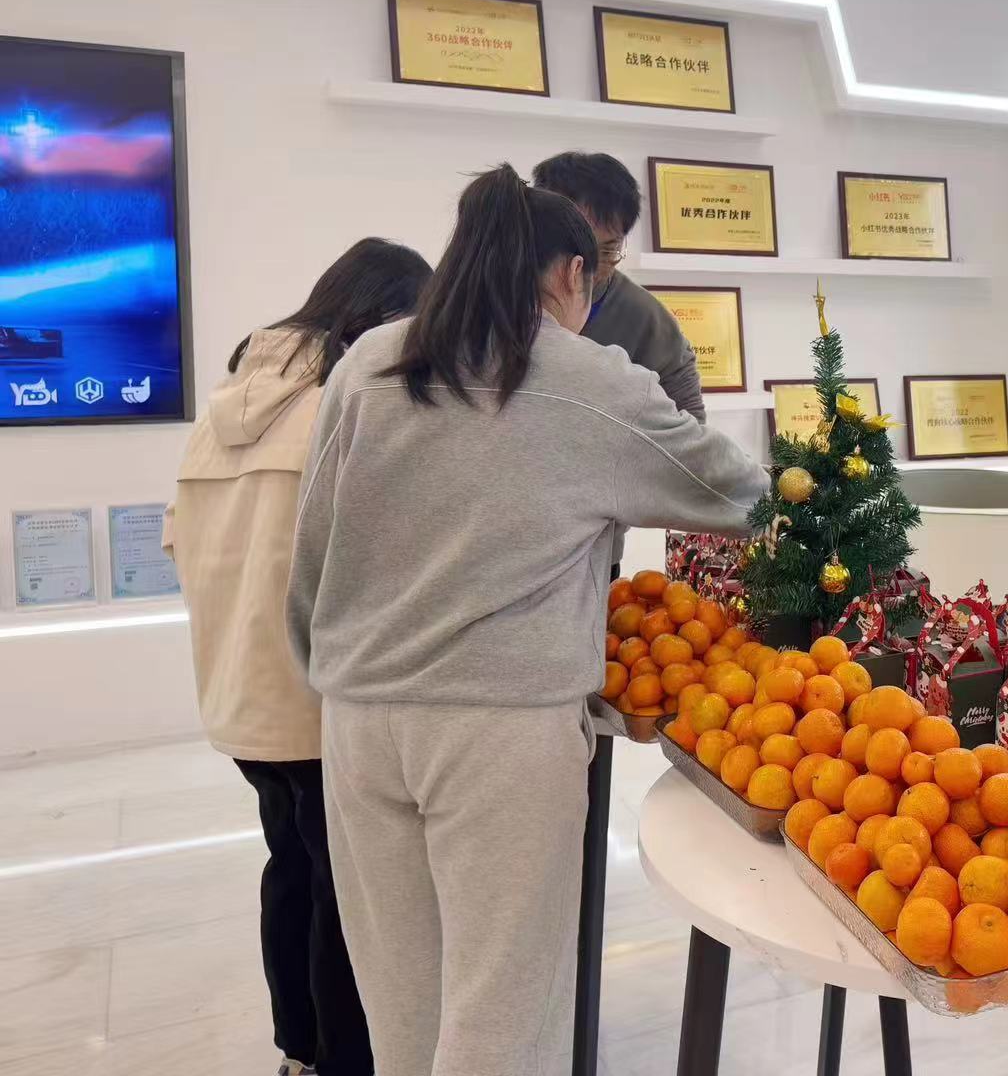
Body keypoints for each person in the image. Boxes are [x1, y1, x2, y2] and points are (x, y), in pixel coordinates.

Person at [287, 165, 765, 1075]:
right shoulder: (589, 378)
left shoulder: (368, 363)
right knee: (503, 1013)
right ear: (572, 275)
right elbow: (737, 492)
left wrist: (330, 671)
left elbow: (312, 545)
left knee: (401, 1005)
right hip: (502, 730)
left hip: (359, 718)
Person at [164, 237, 432, 1076]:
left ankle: (299, 1051)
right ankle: (345, 1061)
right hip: (317, 697)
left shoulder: (223, 410)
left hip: (238, 694)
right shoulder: (342, 406)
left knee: (290, 866)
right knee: (346, 893)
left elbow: (177, 541)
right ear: (387, 316)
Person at [531, 151, 704, 420]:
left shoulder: (648, 320)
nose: (587, 267)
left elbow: (691, 426)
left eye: (608, 249)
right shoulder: (486, 298)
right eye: (576, 246)